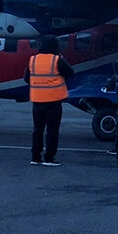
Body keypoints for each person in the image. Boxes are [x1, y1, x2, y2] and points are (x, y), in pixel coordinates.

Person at [23, 34, 74, 167]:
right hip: (54, 100)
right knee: (52, 131)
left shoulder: (33, 60)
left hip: (37, 101)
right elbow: (70, 72)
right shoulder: (57, 60)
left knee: (37, 130)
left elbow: (26, 78)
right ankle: (49, 158)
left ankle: (35, 157)